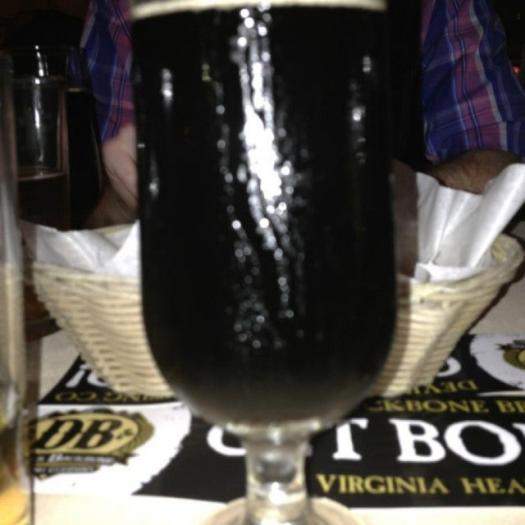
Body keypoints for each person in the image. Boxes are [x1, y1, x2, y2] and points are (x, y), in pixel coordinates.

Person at [81, 0, 525, 226]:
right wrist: (126, 195)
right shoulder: (129, 7)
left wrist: (383, 202)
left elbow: (503, 158)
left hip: (381, 296)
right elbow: (95, 233)